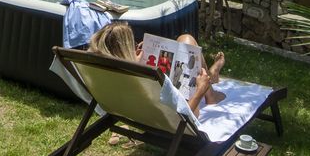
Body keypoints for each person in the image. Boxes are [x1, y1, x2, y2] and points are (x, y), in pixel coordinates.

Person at [87, 21, 225, 115]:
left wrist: (135, 62)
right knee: (187, 41)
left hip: (148, 112)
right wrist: (200, 91)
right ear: (125, 51)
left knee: (184, 42)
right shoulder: (141, 79)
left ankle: (211, 78)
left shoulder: (104, 74)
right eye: (133, 44)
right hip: (183, 112)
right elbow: (184, 115)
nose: (136, 47)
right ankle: (209, 91)